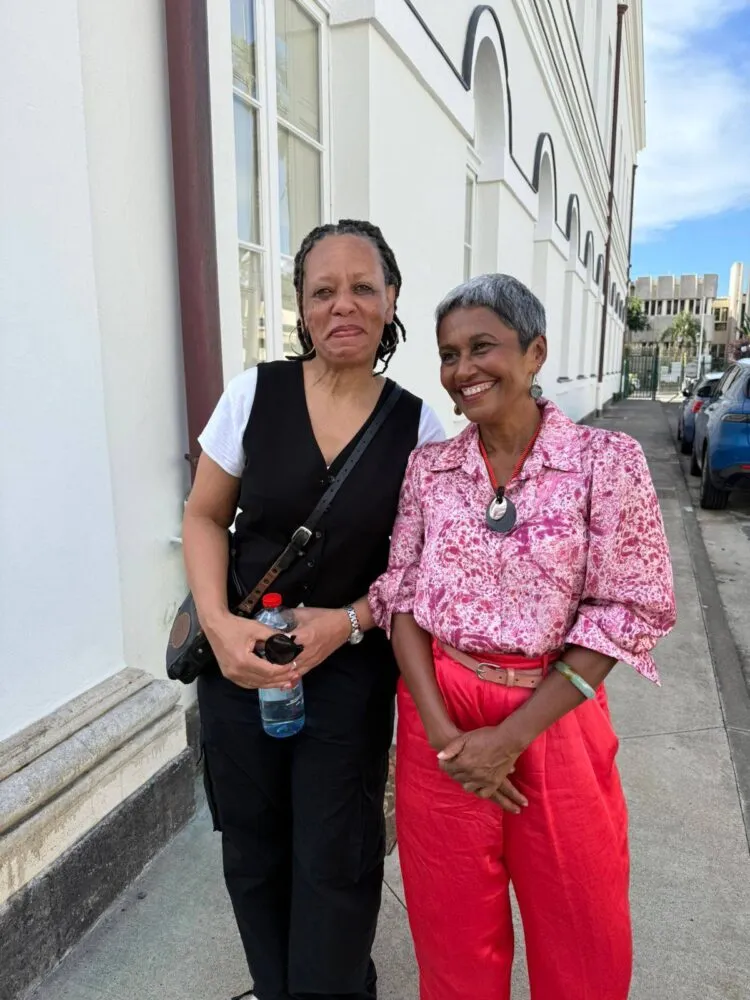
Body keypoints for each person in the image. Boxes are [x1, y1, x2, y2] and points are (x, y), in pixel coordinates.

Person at [370, 274, 677, 1000]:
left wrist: (510, 738)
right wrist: (443, 736)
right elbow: (401, 598)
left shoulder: (606, 462)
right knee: (451, 938)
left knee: (581, 931)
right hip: (439, 715)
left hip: (556, 714)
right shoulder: (431, 469)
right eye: (449, 355)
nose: (463, 370)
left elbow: (625, 608)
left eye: (483, 347)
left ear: (535, 352)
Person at [182, 220, 443, 1000]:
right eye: (323, 290)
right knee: (254, 854)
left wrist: (348, 621)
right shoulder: (252, 395)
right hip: (242, 668)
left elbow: (419, 567)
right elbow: (203, 516)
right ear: (301, 305)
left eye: (363, 287)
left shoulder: (418, 427)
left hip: (347, 678)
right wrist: (219, 627)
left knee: (337, 858)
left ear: (391, 298)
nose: (343, 305)